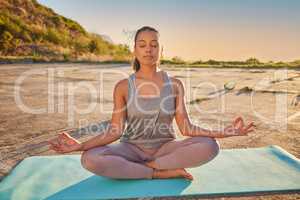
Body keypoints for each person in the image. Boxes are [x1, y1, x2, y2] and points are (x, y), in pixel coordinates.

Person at [48, 26, 255, 181]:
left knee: (210, 146)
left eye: (154, 44)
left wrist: (224, 132)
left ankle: (145, 167)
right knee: (90, 159)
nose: (149, 49)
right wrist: (81, 145)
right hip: (130, 148)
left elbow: (186, 127)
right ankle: (158, 173)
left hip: (166, 149)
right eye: (143, 45)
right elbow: (114, 131)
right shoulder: (123, 86)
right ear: (135, 51)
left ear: (160, 50)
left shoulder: (174, 85)